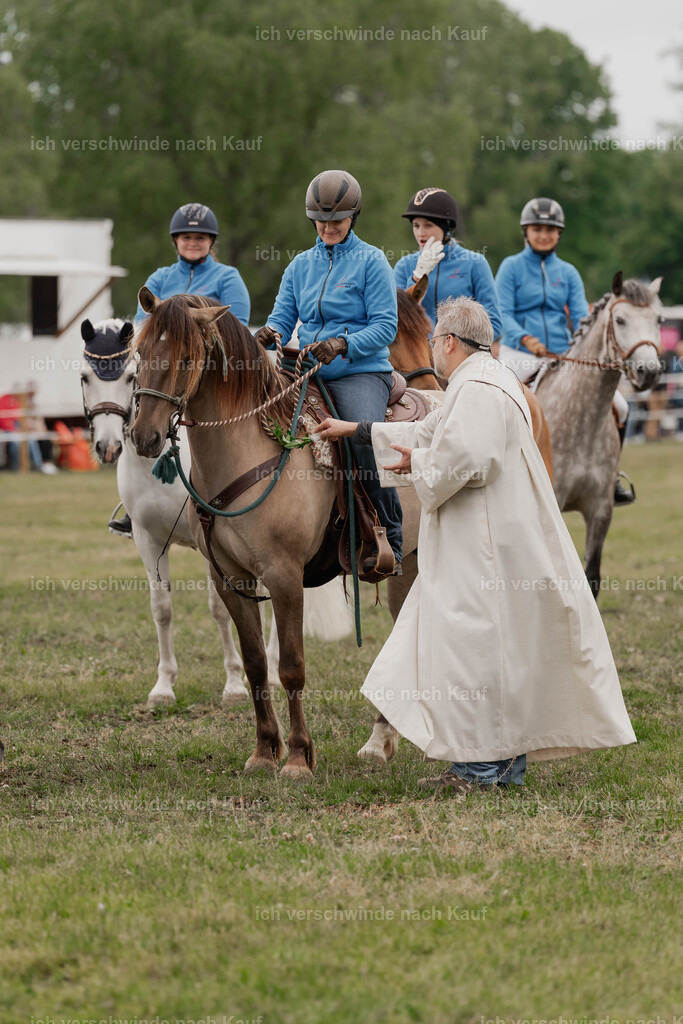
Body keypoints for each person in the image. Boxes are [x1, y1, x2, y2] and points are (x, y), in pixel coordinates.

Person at [317, 296, 636, 791]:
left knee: (478, 652)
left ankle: (483, 770)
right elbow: (428, 430)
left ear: (448, 342)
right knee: (486, 651)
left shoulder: (479, 389)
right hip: (487, 539)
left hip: (485, 548)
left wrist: (418, 464)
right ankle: (495, 766)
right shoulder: (484, 380)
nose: (432, 351)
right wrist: (357, 430)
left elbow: (470, 460)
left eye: (433, 341)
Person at [254, 169, 402, 575]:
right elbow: (282, 316)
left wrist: (343, 344)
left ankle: (387, 537)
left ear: (354, 217)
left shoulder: (372, 261)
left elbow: (386, 327)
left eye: (337, 220)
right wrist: (270, 331)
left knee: (362, 441)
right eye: (320, 220)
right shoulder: (300, 265)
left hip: (361, 372)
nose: (328, 227)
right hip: (305, 371)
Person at [108, 204, 251, 536]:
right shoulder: (160, 278)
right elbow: (143, 326)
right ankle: (135, 502)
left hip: (211, 376)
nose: (193, 242)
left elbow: (238, 329)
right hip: (164, 371)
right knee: (135, 404)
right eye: (186, 237)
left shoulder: (227, 278)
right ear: (176, 241)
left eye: (200, 237)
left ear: (211, 242)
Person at [496, 197, 634, 504]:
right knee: (502, 403)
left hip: (563, 355)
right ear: (526, 231)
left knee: (621, 406)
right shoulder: (511, 267)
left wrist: (586, 346)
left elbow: (583, 318)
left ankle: (611, 475)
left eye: (550, 229)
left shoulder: (568, 272)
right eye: (537, 229)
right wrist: (526, 340)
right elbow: (503, 313)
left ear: (559, 233)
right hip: (520, 354)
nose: (544, 234)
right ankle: (501, 472)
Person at [393, 187, 502, 338]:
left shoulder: (475, 263)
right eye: (416, 225)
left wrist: (458, 346)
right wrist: (416, 278)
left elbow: (494, 323)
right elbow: (395, 319)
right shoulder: (404, 266)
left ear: (446, 227)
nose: (420, 233)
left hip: (461, 351)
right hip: (421, 352)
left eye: (428, 225)